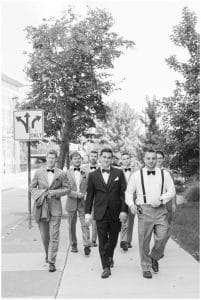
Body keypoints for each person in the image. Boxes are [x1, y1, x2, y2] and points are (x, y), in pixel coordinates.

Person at [125, 149, 176, 279]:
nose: (151, 161)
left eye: (153, 158)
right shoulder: (136, 175)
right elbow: (129, 192)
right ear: (144, 159)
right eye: (148, 158)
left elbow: (172, 191)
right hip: (143, 210)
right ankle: (146, 267)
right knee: (144, 241)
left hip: (160, 210)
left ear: (156, 159)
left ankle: (154, 257)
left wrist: (161, 198)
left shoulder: (165, 174)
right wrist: (131, 205)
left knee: (164, 235)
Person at [85, 148, 128, 279]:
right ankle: (105, 267)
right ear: (99, 158)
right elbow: (90, 196)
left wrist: (123, 210)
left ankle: (109, 256)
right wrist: (87, 213)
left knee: (113, 239)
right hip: (100, 213)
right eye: (104, 157)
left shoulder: (119, 173)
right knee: (102, 241)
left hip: (116, 213)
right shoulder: (93, 175)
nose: (106, 160)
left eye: (109, 158)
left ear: (112, 159)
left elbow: (123, 194)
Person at [30, 149, 71, 272]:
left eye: (53, 158)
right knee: (44, 236)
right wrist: (42, 192)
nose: (51, 160)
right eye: (49, 158)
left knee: (54, 236)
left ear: (56, 159)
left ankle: (52, 261)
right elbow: (31, 188)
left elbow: (67, 189)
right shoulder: (38, 172)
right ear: (46, 158)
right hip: (41, 208)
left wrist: (56, 192)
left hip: (55, 209)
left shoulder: (62, 173)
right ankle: (47, 255)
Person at [65, 151, 91, 255]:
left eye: (79, 158)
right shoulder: (66, 173)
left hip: (83, 203)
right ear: (71, 161)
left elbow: (90, 187)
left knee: (85, 224)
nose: (77, 160)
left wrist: (86, 195)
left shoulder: (86, 172)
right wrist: (76, 194)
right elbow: (65, 189)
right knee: (71, 226)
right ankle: (74, 245)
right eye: (75, 158)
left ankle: (86, 245)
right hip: (71, 202)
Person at [156, 150, 177, 257]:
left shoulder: (169, 172)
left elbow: (173, 190)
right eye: (157, 158)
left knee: (166, 229)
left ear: (163, 159)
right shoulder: (148, 172)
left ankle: (160, 249)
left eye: (160, 158)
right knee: (158, 229)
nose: (158, 160)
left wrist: (173, 203)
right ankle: (158, 250)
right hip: (155, 205)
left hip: (167, 204)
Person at [82, 150, 99, 247]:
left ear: (97, 157)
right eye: (92, 156)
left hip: (98, 198)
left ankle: (93, 240)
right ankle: (87, 240)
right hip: (87, 197)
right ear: (89, 157)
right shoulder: (83, 169)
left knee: (95, 220)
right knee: (87, 218)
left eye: (95, 156)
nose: (93, 158)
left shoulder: (101, 168)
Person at [119, 152, 136, 251]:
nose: (126, 160)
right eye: (124, 159)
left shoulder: (136, 172)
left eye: (127, 158)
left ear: (130, 159)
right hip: (122, 200)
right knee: (124, 221)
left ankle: (128, 241)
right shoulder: (118, 172)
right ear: (121, 160)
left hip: (133, 200)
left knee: (131, 221)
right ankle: (123, 241)